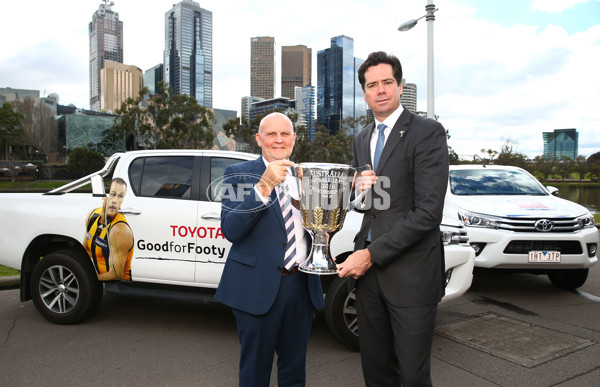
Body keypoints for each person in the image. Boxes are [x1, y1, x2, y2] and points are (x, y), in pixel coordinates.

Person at [337, 51, 449, 387]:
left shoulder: (427, 132)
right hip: (369, 282)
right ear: (365, 93)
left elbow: (428, 213)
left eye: (387, 82)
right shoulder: (361, 139)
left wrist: (369, 255)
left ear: (399, 86)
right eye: (372, 85)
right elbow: (368, 206)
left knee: (412, 377)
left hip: (411, 276)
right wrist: (358, 192)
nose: (381, 89)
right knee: (376, 371)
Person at [215, 112, 324, 387]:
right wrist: (263, 186)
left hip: (300, 287)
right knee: (254, 374)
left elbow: (324, 223)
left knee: (294, 374)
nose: (278, 140)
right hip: (256, 289)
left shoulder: (306, 176)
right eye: (271, 134)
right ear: (258, 139)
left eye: (285, 134)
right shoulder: (237, 175)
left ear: (294, 139)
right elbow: (231, 229)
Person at [83, 177, 134, 281]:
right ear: (104, 196)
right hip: (98, 282)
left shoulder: (119, 229)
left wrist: (85, 280)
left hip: (119, 287)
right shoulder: (92, 216)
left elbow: (115, 275)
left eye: (120, 196)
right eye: (112, 194)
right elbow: (85, 253)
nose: (114, 201)